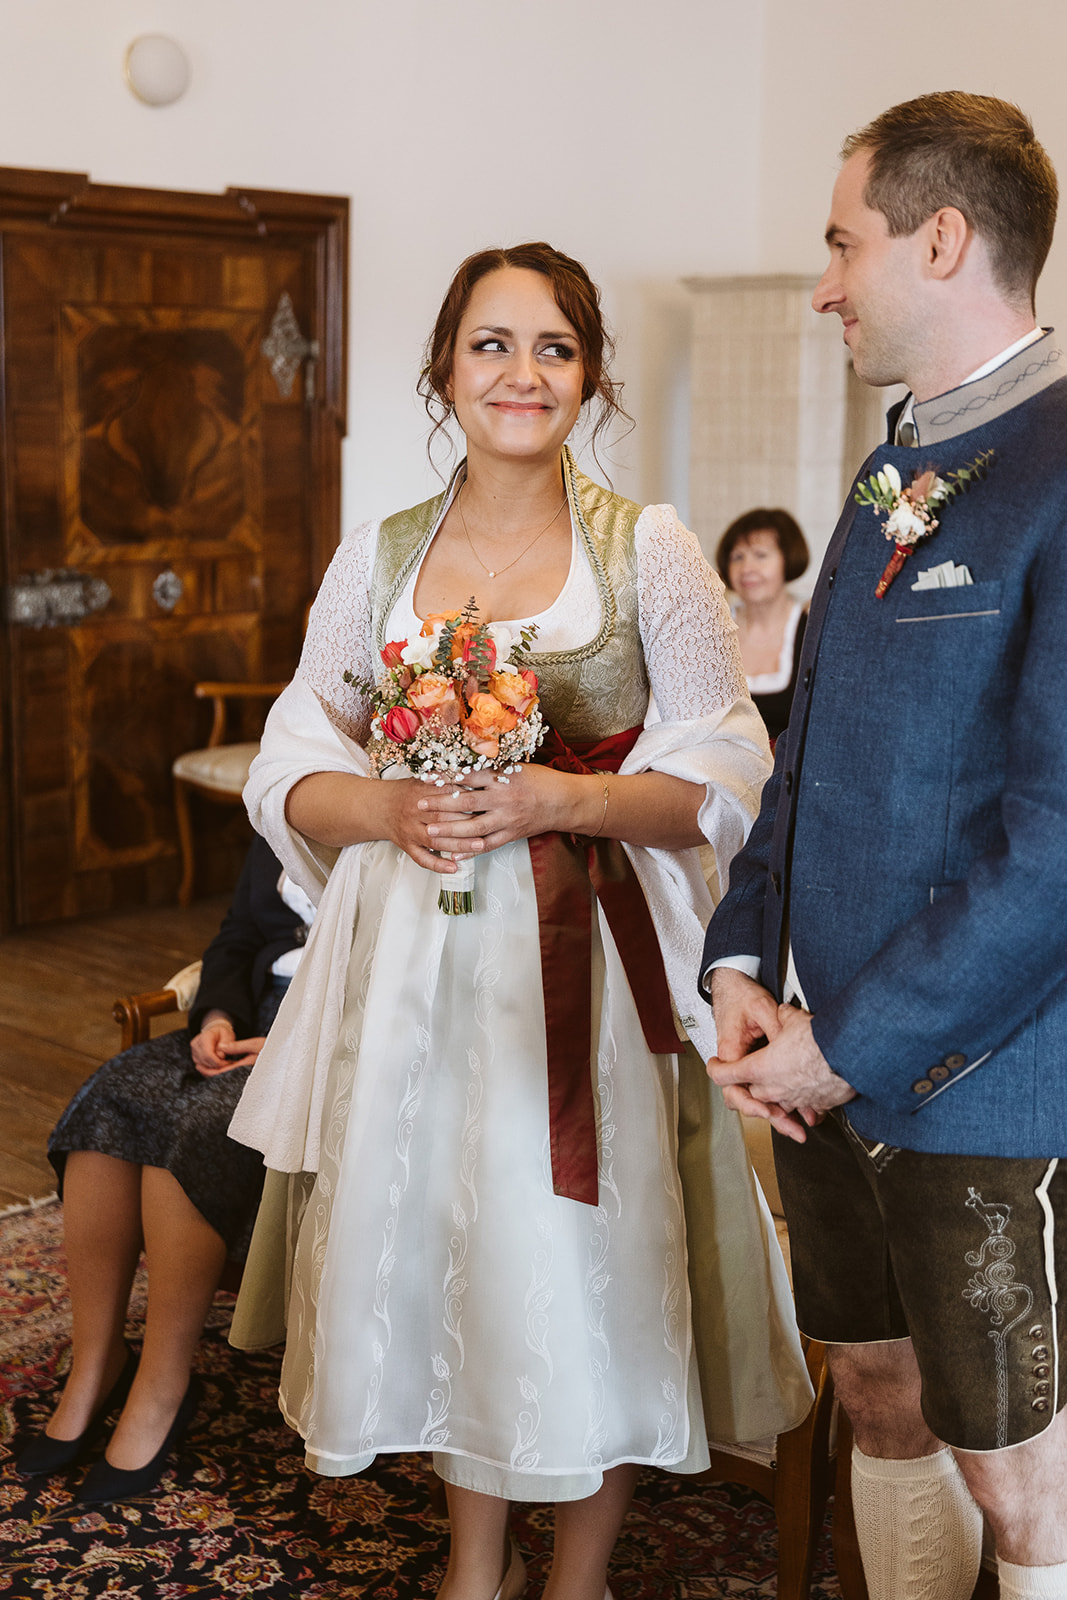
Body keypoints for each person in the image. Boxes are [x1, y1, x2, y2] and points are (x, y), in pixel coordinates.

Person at [228, 242, 812, 1600]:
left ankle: (576, 1578)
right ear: (444, 368)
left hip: (581, 977)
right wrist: (381, 813)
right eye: (490, 345)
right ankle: (470, 1569)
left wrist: (565, 796)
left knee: (568, 1263)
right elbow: (287, 758)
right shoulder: (377, 557)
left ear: (589, 373)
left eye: (552, 347)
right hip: (411, 973)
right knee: (446, 1252)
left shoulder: (648, 549)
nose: (521, 374)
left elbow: (731, 768)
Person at [701, 92, 1067, 1600]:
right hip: (814, 1064)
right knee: (869, 1394)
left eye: (841, 243)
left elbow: (1053, 847)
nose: (823, 284)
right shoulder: (884, 471)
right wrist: (738, 953)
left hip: (977, 1080)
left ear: (938, 235)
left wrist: (845, 1039)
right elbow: (804, 765)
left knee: (1013, 1478)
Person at [16, 834, 310, 1504]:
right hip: (248, 1018)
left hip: (334, 1039)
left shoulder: (420, 804)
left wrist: (296, 1041)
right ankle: (96, 1364)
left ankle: (163, 1383)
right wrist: (214, 1017)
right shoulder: (285, 793)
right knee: (111, 1103)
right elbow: (238, 934)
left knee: (193, 1130)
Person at [716, 508, 810, 742]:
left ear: (787, 560)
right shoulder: (711, 630)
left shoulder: (811, 630)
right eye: (738, 557)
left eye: (760, 555)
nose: (747, 569)